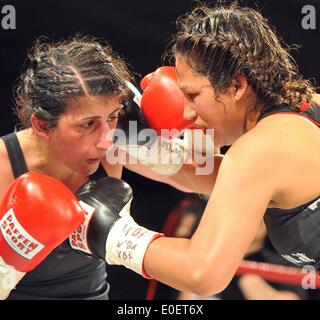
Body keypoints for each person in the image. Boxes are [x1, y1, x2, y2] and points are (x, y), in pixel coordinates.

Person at [73, 2, 320, 298]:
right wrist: (134, 143)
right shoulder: (305, 108)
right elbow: (203, 174)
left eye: (192, 95)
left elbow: (201, 273)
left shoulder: (259, 150)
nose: (186, 113)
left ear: (237, 86)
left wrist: (114, 235)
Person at [0, 35, 196, 300]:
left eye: (113, 117)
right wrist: (6, 267)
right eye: (87, 124)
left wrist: (196, 118)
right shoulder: (5, 165)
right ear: (42, 125)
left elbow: (201, 179)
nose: (106, 138)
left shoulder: (111, 145)